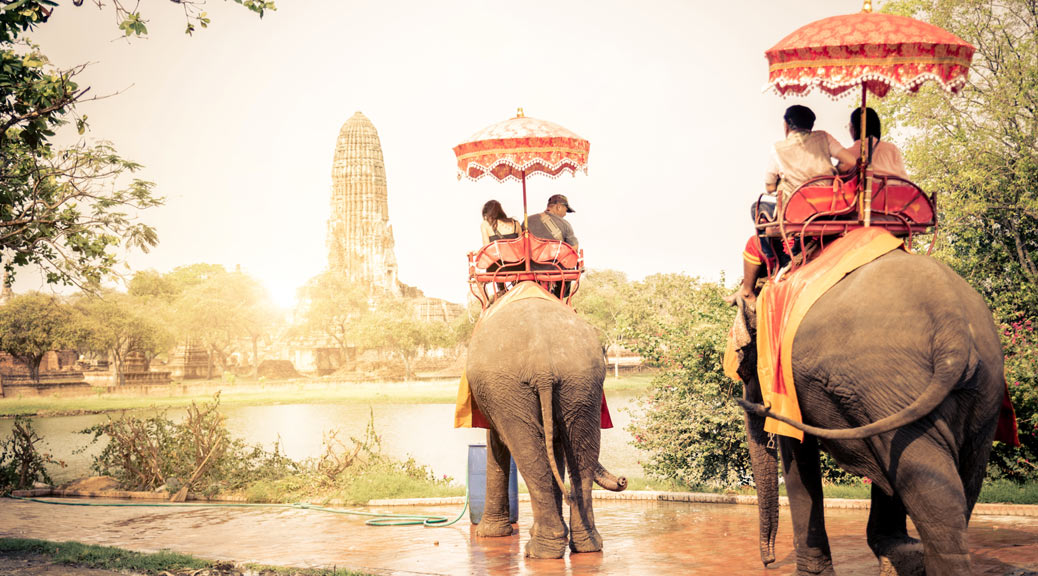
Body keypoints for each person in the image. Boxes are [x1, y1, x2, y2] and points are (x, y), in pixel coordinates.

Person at [739, 105, 857, 302]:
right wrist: (834, 172)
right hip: (831, 208)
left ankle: (779, 260)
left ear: (786, 125)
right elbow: (851, 162)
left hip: (796, 211)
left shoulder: (778, 148)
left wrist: (781, 184)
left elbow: (769, 186)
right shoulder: (824, 137)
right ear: (811, 125)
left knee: (757, 208)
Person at [526, 194, 579, 297]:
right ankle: (559, 298)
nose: (565, 214)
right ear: (558, 207)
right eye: (565, 210)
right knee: (567, 271)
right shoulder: (565, 224)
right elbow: (574, 248)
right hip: (556, 270)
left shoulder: (528, 221)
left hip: (532, 268)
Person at [847, 107, 909, 180]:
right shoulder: (891, 148)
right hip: (894, 190)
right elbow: (905, 180)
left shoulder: (847, 154)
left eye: (850, 126)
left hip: (860, 190)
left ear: (854, 129)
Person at [479, 200, 522, 296]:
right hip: (517, 266)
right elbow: (521, 246)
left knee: (495, 259)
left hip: (499, 268)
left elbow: (487, 248)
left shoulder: (485, 224)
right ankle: (517, 285)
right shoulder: (515, 223)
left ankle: (501, 288)